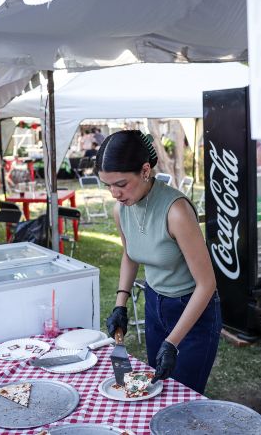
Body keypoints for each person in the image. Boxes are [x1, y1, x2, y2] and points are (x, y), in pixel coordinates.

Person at [96, 130, 221, 394]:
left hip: (191, 309)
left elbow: (206, 284)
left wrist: (173, 341)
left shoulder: (176, 211)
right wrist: (120, 304)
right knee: (158, 392)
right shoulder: (122, 209)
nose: (114, 194)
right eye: (107, 185)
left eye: (120, 184)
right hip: (155, 304)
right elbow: (130, 254)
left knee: (183, 397)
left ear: (144, 170)